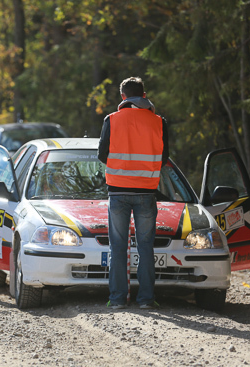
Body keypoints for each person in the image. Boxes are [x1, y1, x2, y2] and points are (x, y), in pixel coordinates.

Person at [97, 77, 168, 309]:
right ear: (144, 95)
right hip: (146, 192)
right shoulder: (158, 122)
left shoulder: (111, 120)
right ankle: (146, 299)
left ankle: (117, 300)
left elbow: (102, 154)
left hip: (117, 192)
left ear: (123, 97)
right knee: (146, 246)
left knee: (118, 246)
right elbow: (164, 156)